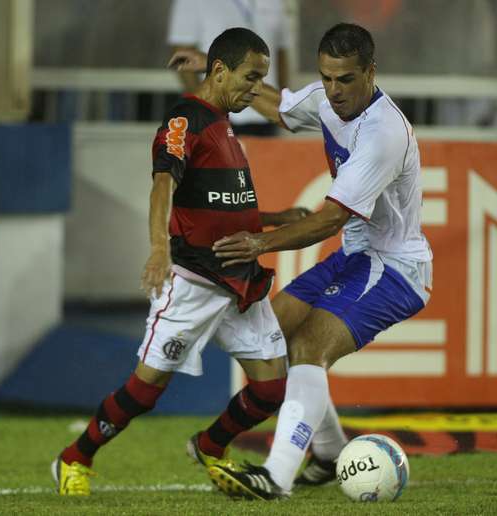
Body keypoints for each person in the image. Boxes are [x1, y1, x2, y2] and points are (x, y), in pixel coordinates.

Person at [170, 22, 433, 500]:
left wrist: (259, 243)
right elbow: (278, 105)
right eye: (327, 78)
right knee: (273, 328)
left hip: (396, 268)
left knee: (310, 346)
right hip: (356, 256)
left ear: (371, 72)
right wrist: (214, 76)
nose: (333, 91)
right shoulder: (330, 98)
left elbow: (329, 220)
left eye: (346, 80)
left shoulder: (383, 133)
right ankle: (330, 453)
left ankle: (276, 477)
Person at [51, 27, 311, 496]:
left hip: (241, 281)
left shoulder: (225, 122)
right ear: (219, 70)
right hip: (194, 280)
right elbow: (163, 184)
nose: (256, 89)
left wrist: (274, 219)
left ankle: (211, 446)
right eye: (251, 78)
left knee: (271, 389)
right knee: (144, 392)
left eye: (261, 80)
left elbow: (225, 203)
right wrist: (157, 248)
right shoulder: (185, 121)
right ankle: (75, 457)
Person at [167, 0, 292, 136]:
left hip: (267, 115)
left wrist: (283, 108)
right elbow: (183, 55)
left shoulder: (276, 3)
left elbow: (281, 55)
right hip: (220, 116)